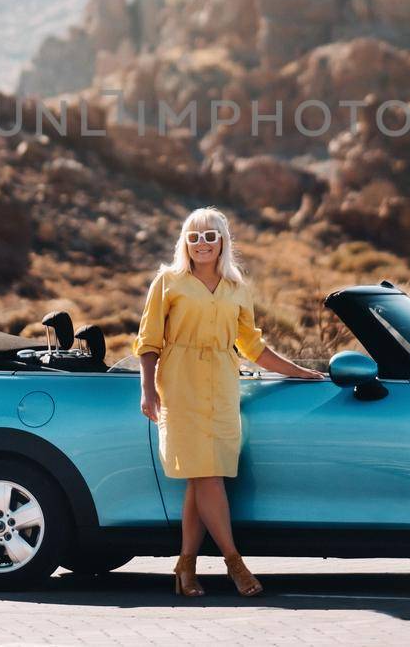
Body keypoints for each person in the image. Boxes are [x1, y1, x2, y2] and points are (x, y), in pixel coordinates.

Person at [132, 206, 324, 598]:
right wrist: (148, 390)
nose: (202, 243)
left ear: (223, 241)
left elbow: (252, 347)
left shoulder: (237, 289)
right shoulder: (168, 282)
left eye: (210, 236)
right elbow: (148, 341)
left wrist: (299, 371)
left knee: (201, 479)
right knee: (208, 476)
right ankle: (235, 563)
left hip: (222, 385)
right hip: (180, 384)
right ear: (185, 242)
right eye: (194, 237)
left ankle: (185, 568)